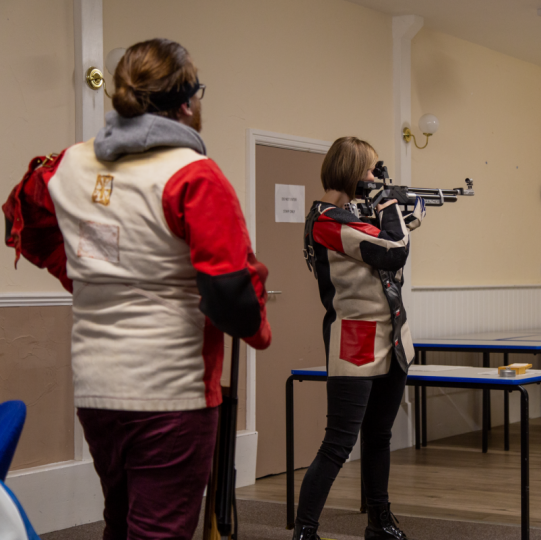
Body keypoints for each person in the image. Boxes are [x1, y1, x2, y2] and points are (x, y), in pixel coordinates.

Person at [2, 38, 272, 539]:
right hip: (172, 393)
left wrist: (81, 271)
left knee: (121, 520)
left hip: (97, 390)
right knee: (157, 531)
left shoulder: (67, 165)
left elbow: (21, 216)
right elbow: (230, 294)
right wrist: (259, 330)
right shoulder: (194, 175)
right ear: (186, 102)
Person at [296, 137, 426, 540]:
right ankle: (305, 531)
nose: (373, 177)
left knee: (379, 437)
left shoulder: (347, 217)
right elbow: (392, 249)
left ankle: (380, 521)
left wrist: (402, 213)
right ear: (350, 171)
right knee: (338, 444)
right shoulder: (326, 221)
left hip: (392, 336)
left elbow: (380, 241)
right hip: (355, 340)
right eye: (369, 169)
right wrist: (391, 207)